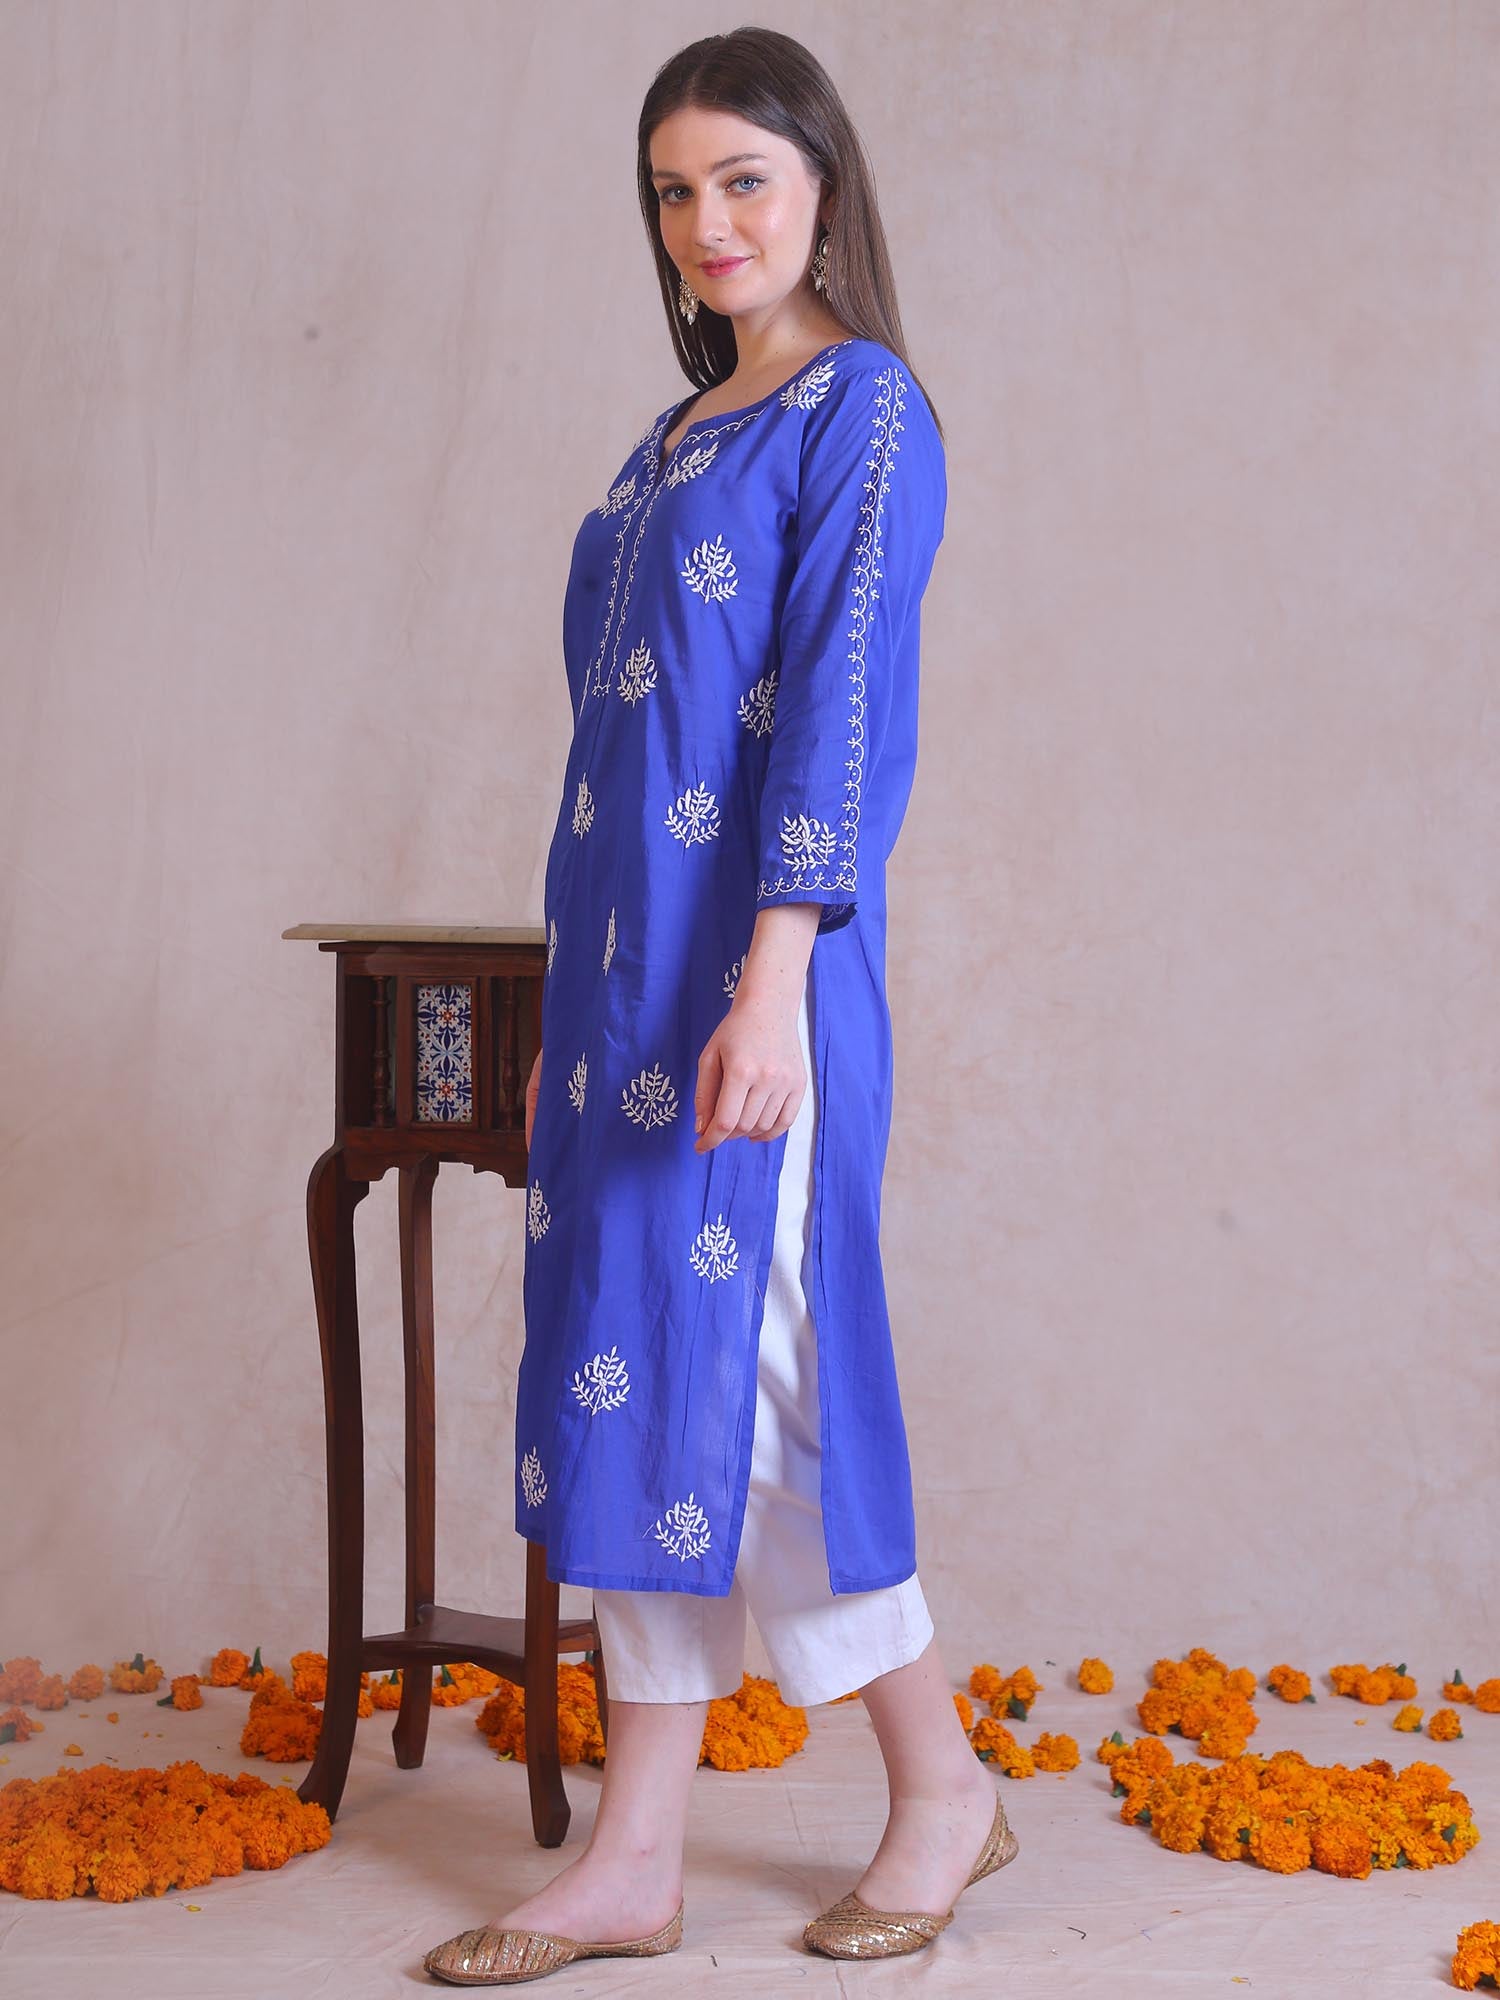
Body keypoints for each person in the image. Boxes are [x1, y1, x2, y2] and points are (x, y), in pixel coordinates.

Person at [424, 25, 1017, 1987]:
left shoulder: (863, 415)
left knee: (764, 1395)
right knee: (621, 1386)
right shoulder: (671, 437)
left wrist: (774, 979)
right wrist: (563, 1043)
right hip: (622, 1006)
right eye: (676, 191)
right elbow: (611, 760)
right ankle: (637, 1854)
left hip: (758, 994)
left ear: (824, 183)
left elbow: (836, 723)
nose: (709, 222)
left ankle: (943, 1789)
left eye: (744, 179)